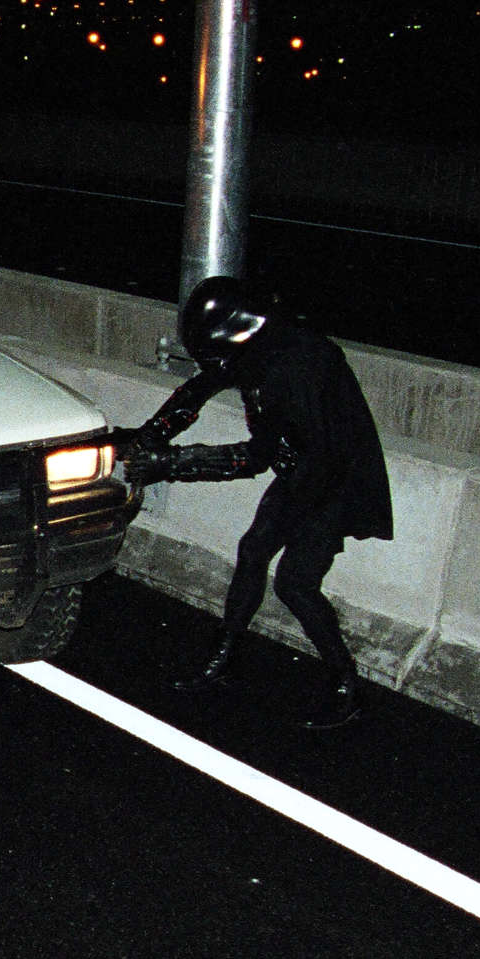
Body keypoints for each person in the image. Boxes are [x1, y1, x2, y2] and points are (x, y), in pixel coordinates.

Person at [123, 276, 393, 729]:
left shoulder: (297, 364)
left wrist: (171, 463)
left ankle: (347, 684)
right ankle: (225, 655)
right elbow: (198, 389)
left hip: (335, 481)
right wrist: (150, 436)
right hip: (301, 467)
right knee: (253, 552)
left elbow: (256, 457)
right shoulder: (256, 347)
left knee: (295, 583)